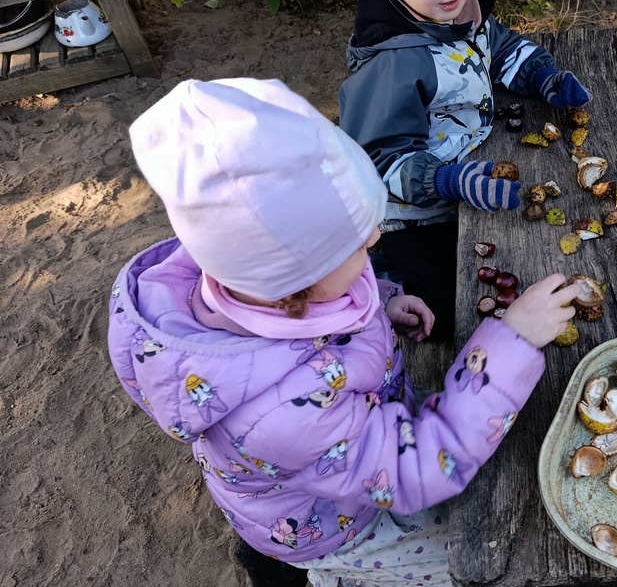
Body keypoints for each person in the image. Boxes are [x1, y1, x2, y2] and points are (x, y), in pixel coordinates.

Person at [107, 77, 582, 587]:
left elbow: (324, 308)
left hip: (352, 437)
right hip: (339, 522)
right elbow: (418, 468)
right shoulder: (280, 415)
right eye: (357, 245)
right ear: (293, 291)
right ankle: (329, 575)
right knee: (481, 556)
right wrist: (511, 343)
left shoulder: (253, 281)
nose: (376, 237)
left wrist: (381, 302)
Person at [339, 0, 592, 342]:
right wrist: (447, 180)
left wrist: (541, 76)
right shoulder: (395, 63)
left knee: (525, 253)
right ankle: (380, 281)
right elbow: (379, 161)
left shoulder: (457, 14)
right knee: (452, 314)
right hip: (409, 213)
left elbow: (500, 47)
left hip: (463, 171)